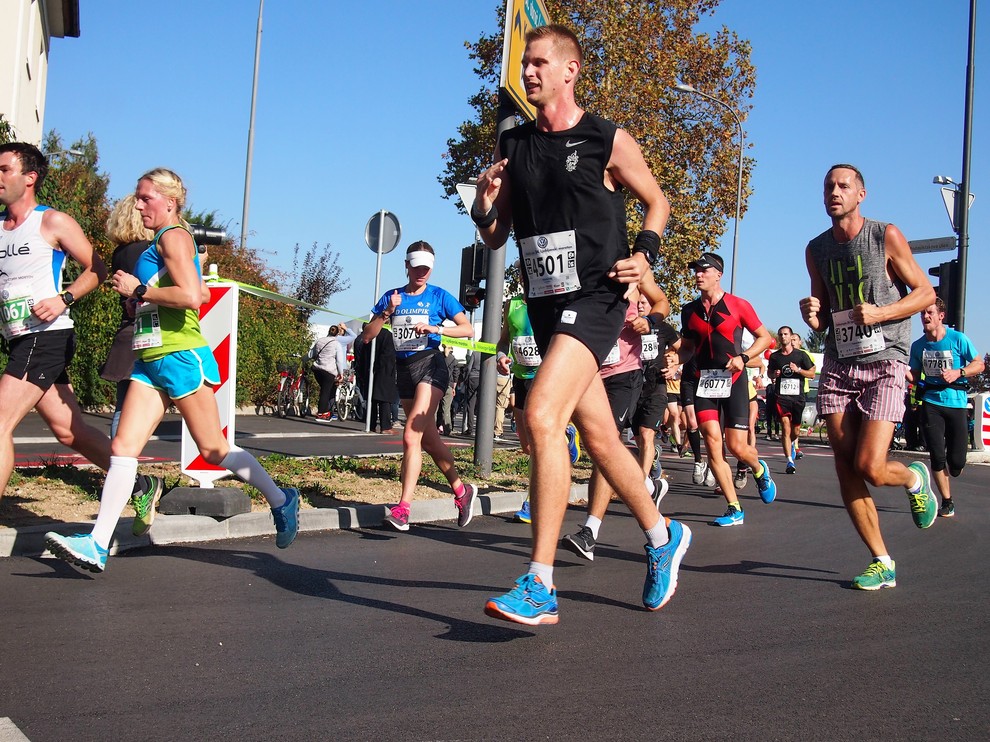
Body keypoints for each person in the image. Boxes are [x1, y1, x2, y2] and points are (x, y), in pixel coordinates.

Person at [474, 24, 689, 624]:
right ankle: (661, 535)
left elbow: (658, 200)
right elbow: (495, 235)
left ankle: (539, 582)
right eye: (526, 63)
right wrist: (483, 204)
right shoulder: (513, 145)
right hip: (546, 303)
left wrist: (645, 252)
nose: (530, 72)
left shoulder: (605, 138)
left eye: (541, 62)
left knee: (542, 414)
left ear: (570, 71)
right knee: (598, 436)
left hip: (597, 296)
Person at [45, 168, 300, 572]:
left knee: (213, 449)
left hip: (180, 356)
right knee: (123, 449)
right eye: (137, 196)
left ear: (170, 201)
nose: (138, 204)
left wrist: (139, 291)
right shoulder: (161, 242)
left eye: (146, 197)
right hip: (150, 358)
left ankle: (282, 499)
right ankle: (97, 542)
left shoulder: (174, 237)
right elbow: (188, 290)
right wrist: (141, 304)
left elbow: (191, 297)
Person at [0, 143, 159, 520]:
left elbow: (98, 269)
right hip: (19, 336)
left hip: (48, 333)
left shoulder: (51, 222)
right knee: (69, 431)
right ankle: (141, 485)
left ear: (30, 177)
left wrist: (63, 299)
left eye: (4, 169)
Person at [800, 163, 937, 591]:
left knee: (871, 466)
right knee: (846, 467)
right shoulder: (816, 248)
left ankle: (915, 477)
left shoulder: (884, 235)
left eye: (843, 186)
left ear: (861, 194)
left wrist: (881, 312)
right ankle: (882, 560)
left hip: (887, 359)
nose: (834, 192)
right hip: (841, 363)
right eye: (828, 186)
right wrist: (812, 314)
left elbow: (925, 292)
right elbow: (821, 319)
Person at [362, 241, 477, 531]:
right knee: (428, 440)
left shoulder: (439, 296)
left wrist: (437, 328)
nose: (422, 273)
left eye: (427, 268)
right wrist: (386, 312)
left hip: (431, 365)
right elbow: (367, 336)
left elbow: (468, 329)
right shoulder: (393, 296)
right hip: (404, 370)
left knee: (411, 436)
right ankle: (463, 492)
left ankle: (403, 508)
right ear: (407, 266)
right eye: (417, 268)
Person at [677, 252, 777, 527]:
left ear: (718, 274)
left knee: (736, 446)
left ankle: (758, 468)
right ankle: (734, 508)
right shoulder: (689, 311)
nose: (698, 274)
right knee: (711, 442)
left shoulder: (737, 305)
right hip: (705, 381)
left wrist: (743, 358)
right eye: (695, 270)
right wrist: (675, 359)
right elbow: (688, 348)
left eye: (703, 269)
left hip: (733, 381)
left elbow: (765, 338)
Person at [908, 298, 984, 518]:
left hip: (957, 403)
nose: (926, 316)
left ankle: (957, 464)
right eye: (922, 313)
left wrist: (958, 372)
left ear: (941, 316)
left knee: (956, 461)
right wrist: (902, 371)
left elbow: (979, 363)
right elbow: (914, 374)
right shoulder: (918, 345)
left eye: (930, 312)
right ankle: (947, 501)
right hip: (931, 402)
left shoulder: (958, 339)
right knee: (937, 456)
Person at [766, 326, 815, 474]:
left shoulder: (801, 355)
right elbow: (769, 373)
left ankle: (793, 444)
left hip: (798, 397)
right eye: (780, 334)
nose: (783, 337)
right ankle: (789, 461)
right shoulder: (775, 357)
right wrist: (774, 374)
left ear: (791, 336)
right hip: (782, 397)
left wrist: (798, 370)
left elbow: (812, 373)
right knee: (785, 428)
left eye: (785, 334)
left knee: (795, 431)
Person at [353, 324, 398, 433]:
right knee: (384, 400)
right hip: (384, 372)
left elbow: (361, 356)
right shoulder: (387, 335)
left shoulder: (366, 336)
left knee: (371, 399)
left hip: (369, 371)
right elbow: (389, 356)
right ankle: (385, 427)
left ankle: (371, 423)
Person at [310, 322, 356, 420]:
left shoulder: (321, 340)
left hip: (318, 368)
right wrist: (346, 328)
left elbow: (312, 353)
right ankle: (325, 412)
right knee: (330, 391)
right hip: (333, 369)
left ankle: (327, 410)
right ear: (338, 332)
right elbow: (353, 336)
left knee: (326, 390)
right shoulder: (339, 341)